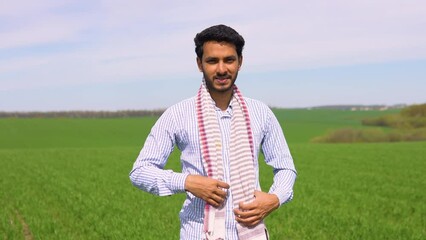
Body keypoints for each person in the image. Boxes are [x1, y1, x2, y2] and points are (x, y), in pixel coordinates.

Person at [130, 24, 297, 240]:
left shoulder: (261, 113)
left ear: (240, 62)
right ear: (199, 64)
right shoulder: (177, 114)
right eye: (212, 61)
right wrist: (188, 182)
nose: (221, 69)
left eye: (229, 60)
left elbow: (285, 166)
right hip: (198, 234)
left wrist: (275, 198)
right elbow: (140, 171)